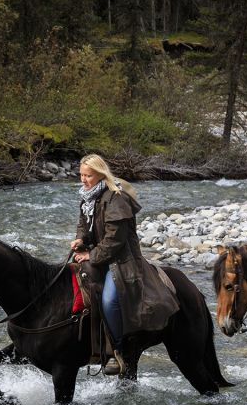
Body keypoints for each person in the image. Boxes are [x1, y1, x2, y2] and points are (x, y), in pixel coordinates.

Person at [71, 154, 179, 373]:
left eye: (88, 175)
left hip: (121, 261)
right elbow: (84, 225)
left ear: (100, 174)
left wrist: (91, 256)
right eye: (81, 175)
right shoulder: (88, 197)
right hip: (99, 254)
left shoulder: (116, 198)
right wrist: (81, 241)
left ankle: (117, 350)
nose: (83, 179)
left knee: (110, 300)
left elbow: (115, 240)